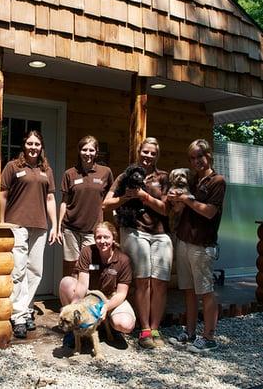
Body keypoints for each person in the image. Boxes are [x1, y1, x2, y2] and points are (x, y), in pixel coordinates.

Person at [103, 137, 172, 349]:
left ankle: (155, 327)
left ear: (156, 155)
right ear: (139, 152)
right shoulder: (126, 175)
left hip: (161, 234)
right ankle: (144, 329)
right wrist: (125, 197)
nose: (148, 156)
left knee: (159, 282)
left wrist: (144, 196)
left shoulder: (164, 177)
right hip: (135, 231)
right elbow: (106, 203)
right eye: (145, 152)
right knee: (143, 281)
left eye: (152, 153)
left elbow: (167, 209)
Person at [167, 139, 226, 353]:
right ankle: (190, 333)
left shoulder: (217, 181)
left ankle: (209, 337)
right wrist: (174, 199)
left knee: (206, 291)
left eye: (199, 156)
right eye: (192, 158)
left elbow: (210, 212)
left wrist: (186, 200)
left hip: (202, 243)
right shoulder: (191, 180)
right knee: (189, 291)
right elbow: (177, 208)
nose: (196, 161)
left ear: (208, 155)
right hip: (183, 240)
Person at [0, 130, 59, 339]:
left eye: (37, 144)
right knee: (18, 270)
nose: (33, 147)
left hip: (40, 225)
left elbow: (51, 199)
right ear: (24, 145)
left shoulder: (46, 170)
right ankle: (19, 316)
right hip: (17, 224)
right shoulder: (12, 166)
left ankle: (25, 310)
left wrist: (55, 225)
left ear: (41, 147)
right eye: (30, 144)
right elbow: (3, 194)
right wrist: (1, 221)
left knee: (35, 270)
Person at [59, 221, 136, 339]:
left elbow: (121, 293)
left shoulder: (123, 260)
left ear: (113, 238)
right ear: (94, 238)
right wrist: (73, 307)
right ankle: (74, 330)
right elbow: (82, 285)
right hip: (90, 296)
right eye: (98, 237)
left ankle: (108, 326)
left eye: (106, 237)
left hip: (110, 297)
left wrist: (106, 307)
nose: (102, 241)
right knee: (66, 283)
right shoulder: (87, 252)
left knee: (125, 324)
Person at [58, 135, 114, 277]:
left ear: (96, 152)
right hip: (71, 228)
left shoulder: (105, 172)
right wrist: (59, 227)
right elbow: (64, 201)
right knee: (72, 266)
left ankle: (88, 296)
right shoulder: (69, 174)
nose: (87, 153)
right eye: (84, 150)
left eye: (91, 150)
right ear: (79, 151)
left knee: (90, 266)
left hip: (93, 229)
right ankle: (72, 297)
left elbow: (110, 197)